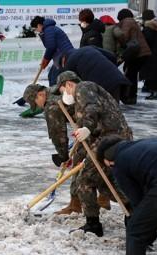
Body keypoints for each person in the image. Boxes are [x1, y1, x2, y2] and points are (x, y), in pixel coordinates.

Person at [56, 71, 133, 236]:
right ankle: (133, 209)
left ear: (69, 84)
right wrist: (74, 158)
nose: (64, 94)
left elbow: (92, 109)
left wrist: (87, 128)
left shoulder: (83, 88)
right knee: (105, 181)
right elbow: (87, 141)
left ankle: (93, 224)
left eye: (63, 90)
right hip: (112, 139)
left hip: (110, 139)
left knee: (86, 180)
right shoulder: (81, 99)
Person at [23, 84, 112, 215]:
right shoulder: (56, 89)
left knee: (80, 162)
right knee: (97, 163)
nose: (39, 107)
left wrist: (63, 156)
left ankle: (75, 205)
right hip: (103, 124)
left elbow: (58, 134)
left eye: (35, 102)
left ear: (41, 94)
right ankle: (104, 196)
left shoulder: (51, 106)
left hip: (93, 130)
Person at [60, 46, 131, 102]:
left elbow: (72, 86)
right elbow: (112, 56)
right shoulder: (89, 47)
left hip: (102, 86)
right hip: (116, 78)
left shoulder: (69, 63)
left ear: (63, 60)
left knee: (106, 114)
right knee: (114, 112)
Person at [116, 9, 151, 104]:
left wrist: (118, 44)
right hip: (141, 53)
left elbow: (124, 36)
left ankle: (129, 97)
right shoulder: (132, 22)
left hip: (137, 53)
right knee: (131, 74)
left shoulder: (127, 22)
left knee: (130, 74)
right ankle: (131, 96)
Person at [30, 16, 74, 86]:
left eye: (35, 29)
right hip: (60, 56)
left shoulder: (48, 30)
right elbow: (50, 47)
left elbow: (51, 47)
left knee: (54, 79)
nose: (36, 31)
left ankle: (55, 94)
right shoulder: (48, 29)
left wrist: (45, 60)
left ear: (39, 25)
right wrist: (45, 61)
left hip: (64, 57)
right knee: (51, 75)